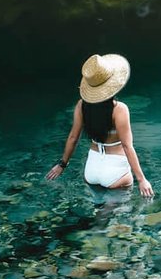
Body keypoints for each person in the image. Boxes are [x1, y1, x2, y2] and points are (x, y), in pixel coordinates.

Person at [46, 53, 154, 197]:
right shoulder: (119, 109)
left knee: (99, 211)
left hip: (92, 168)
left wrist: (62, 164)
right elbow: (127, 146)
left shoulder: (81, 106)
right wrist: (142, 179)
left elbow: (73, 138)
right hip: (116, 171)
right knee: (120, 214)